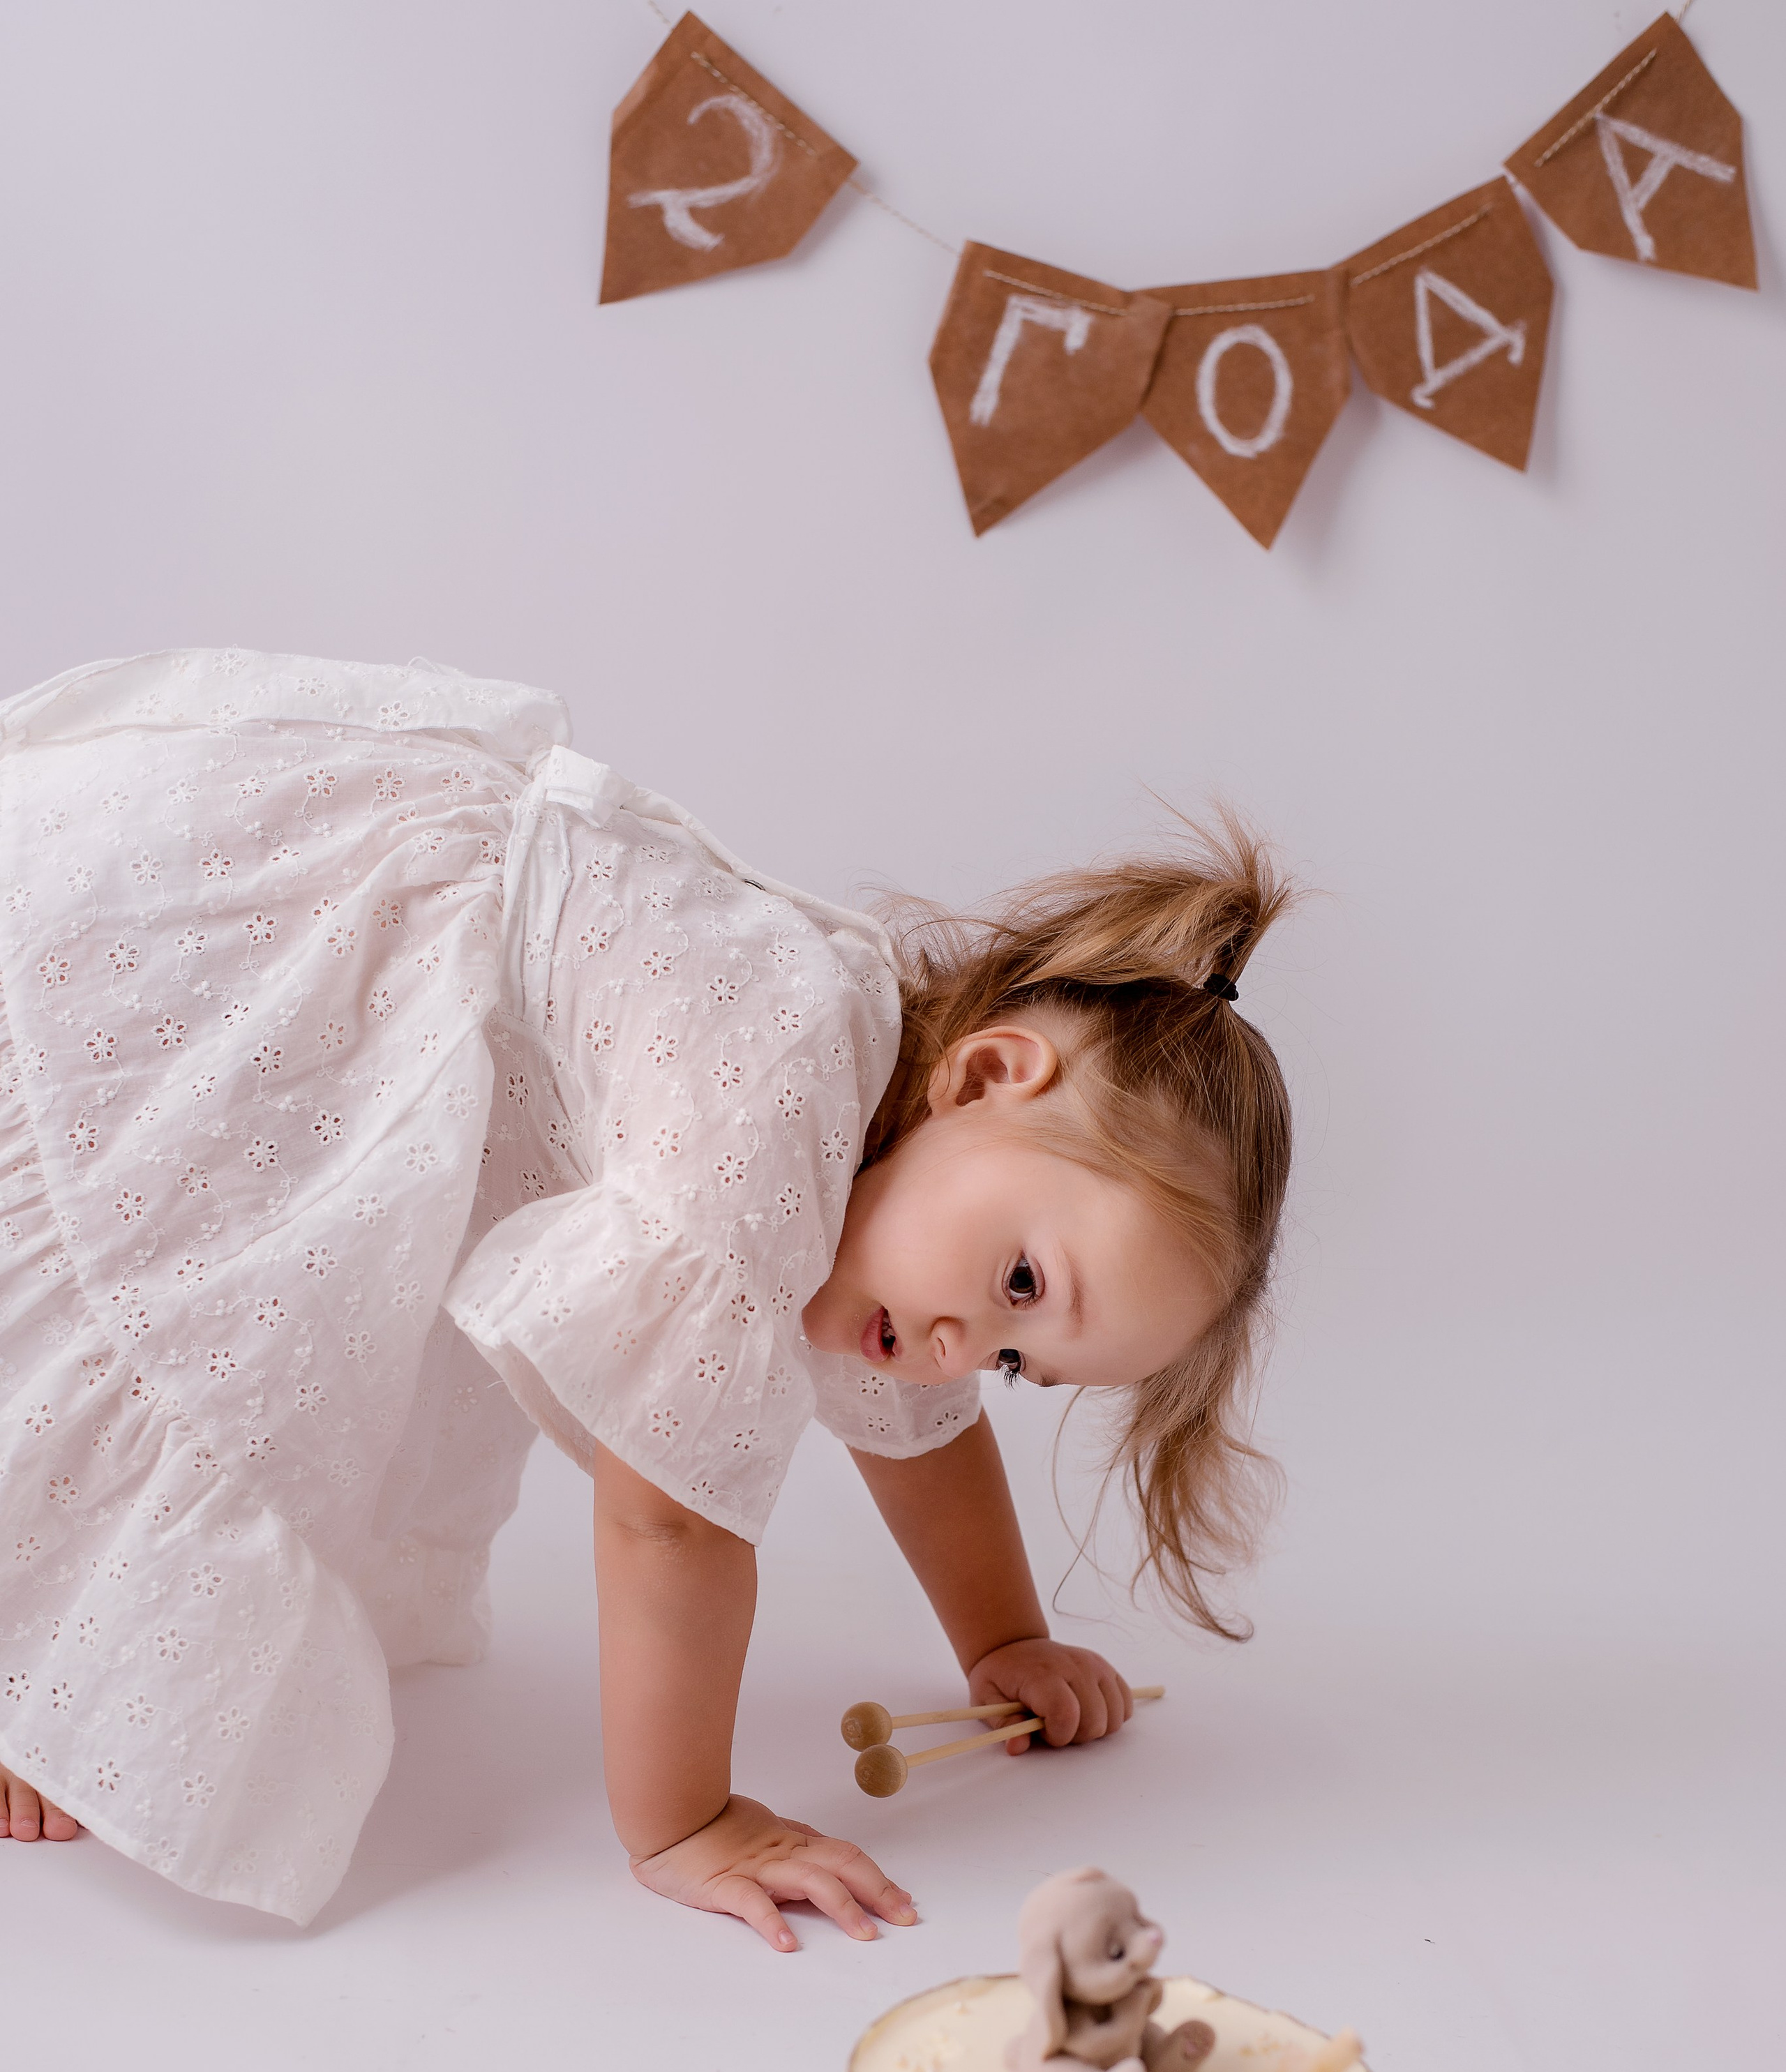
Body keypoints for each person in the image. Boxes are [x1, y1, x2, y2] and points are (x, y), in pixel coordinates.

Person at [0, 649, 1292, 1943]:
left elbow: (928, 1435)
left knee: (244, 1326)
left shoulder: (898, 1193)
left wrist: (1003, 1643)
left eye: (1022, 1358)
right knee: (174, 1292)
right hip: (279, 953)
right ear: (983, 1076)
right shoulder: (777, 1101)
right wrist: (686, 1817)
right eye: (1021, 1283)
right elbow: (669, 1519)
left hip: (397, 974)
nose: (966, 1346)